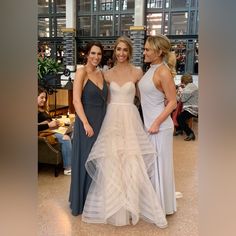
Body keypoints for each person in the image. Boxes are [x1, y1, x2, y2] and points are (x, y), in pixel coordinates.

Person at [81, 36, 167, 228]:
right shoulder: (107, 74)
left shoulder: (138, 72)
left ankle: (132, 207)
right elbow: (103, 98)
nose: (121, 53)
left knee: (131, 162)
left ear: (129, 52)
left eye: (125, 50)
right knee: (113, 161)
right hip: (112, 120)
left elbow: (146, 94)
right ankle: (113, 206)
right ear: (114, 52)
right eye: (118, 49)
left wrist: (159, 110)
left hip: (131, 119)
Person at [138, 34, 177, 215]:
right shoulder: (151, 69)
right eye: (144, 48)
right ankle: (153, 204)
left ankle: (161, 207)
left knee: (159, 168)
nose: (144, 52)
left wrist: (155, 123)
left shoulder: (162, 71)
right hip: (150, 127)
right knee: (151, 167)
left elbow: (172, 102)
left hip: (160, 128)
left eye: (147, 49)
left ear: (159, 52)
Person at [69, 41, 108, 216]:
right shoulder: (81, 72)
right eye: (93, 53)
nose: (96, 57)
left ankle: (95, 201)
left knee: (99, 161)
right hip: (86, 123)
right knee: (85, 160)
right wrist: (85, 123)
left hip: (102, 121)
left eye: (99, 54)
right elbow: (76, 100)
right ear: (86, 54)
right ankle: (81, 201)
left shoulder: (103, 73)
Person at [38, 86, 72, 175]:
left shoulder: (42, 110)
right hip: (45, 134)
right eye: (41, 97)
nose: (44, 100)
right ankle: (68, 168)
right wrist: (47, 124)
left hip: (52, 131)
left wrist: (55, 123)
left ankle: (75, 162)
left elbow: (48, 123)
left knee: (73, 133)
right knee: (66, 138)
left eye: (45, 98)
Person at [174, 73, 198, 141]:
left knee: (180, 118)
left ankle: (190, 133)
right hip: (194, 107)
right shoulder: (192, 86)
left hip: (192, 108)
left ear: (183, 81)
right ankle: (179, 130)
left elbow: (182, 99)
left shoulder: (188, 88)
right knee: (179, 115)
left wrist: (176, 94)